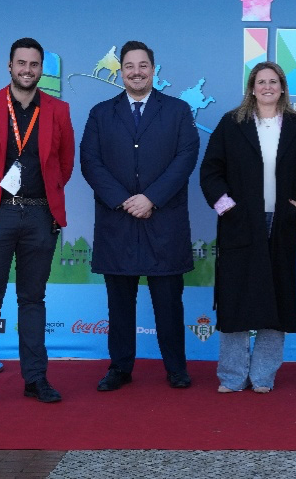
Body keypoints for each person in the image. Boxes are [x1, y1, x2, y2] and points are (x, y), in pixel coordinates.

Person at [0, 38, 76, 410]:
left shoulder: (58, 110)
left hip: (39, 215)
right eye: (21, 63)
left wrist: (44, 201)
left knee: (33, 300)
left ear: (41, 69)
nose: (27, 70)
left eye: (34, 64)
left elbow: (65, 164)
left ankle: (36, 379)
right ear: (9, 66)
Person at [80, 40, 200, 391]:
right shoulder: (101, 113)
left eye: (143, 65)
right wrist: (122, 200)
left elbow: (186, 158)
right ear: (121, 71)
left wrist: (151, 198)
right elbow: (90, 161)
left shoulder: (178, 110)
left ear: (153, 69)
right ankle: (120, 368)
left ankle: (176, 368)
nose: (136, 72)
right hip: (117, 223)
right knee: (119, 305)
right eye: (129, 66)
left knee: (168, 303)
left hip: (164, 222)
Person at [200, 61, 296, 393]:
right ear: (252, 88)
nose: (267, 87)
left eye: (273, 81)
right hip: (241, 222)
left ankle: (263, 376)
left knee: (277, 297)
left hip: (282, 223)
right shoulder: (231, 123)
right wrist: (227, 208)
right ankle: (232, 376)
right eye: (261, 82)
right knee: (235, 297)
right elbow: (211, 171)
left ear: (282, 88)